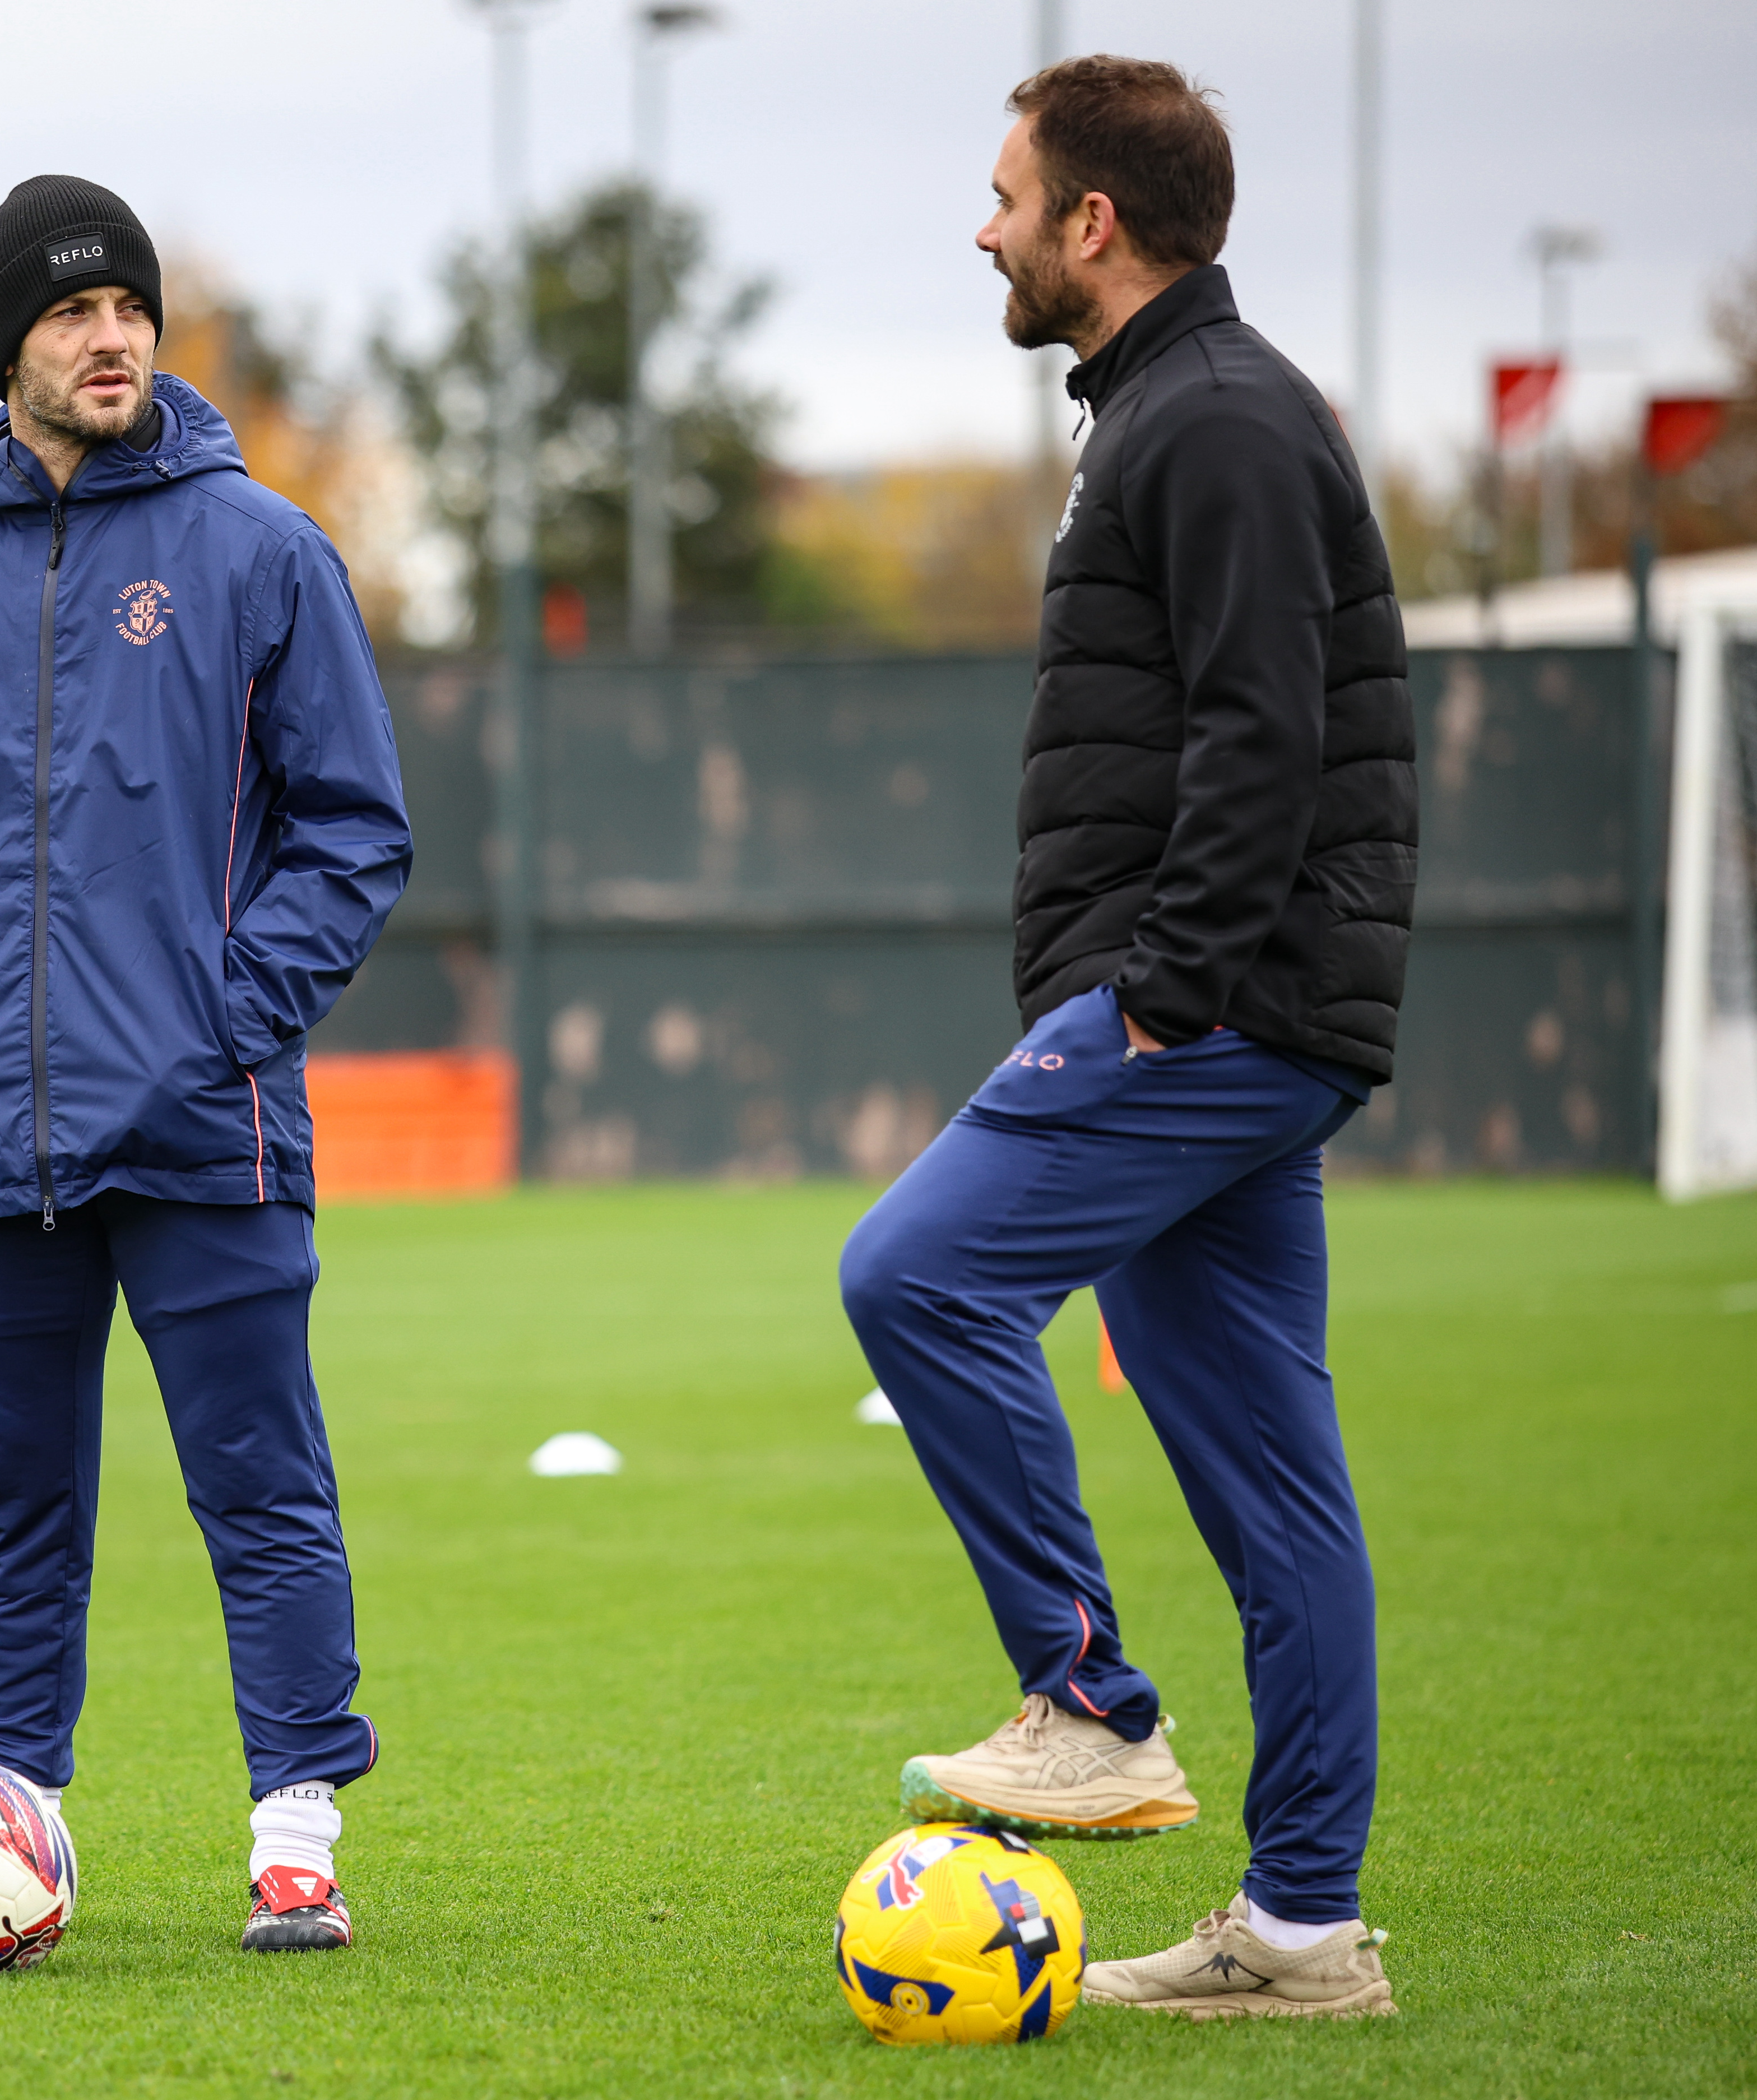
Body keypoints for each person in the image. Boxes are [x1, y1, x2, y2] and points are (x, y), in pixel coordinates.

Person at [836, 58, 1416, 2019]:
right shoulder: (1168, 411)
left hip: (1211, 1012)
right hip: (1236, 1010)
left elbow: (1268, 731)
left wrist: (1164, 990)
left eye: (1007, 198)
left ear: (1092, 222)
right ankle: (1305, 1930)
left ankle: (1086, 1702)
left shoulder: (1219, 416)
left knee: (912, 1274)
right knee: (1273, 1489)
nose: (983, 229)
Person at [0, 176, 411, 1953]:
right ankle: (8, 1833)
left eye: (128, 307)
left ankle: (295, 1829)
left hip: (204, 1123)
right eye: (70, 312)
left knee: (261, 1489)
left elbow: (353, 830)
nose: (110, 335)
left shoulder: (264, 552)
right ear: (7, 345)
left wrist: (229, 1018)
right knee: (11, 1514)